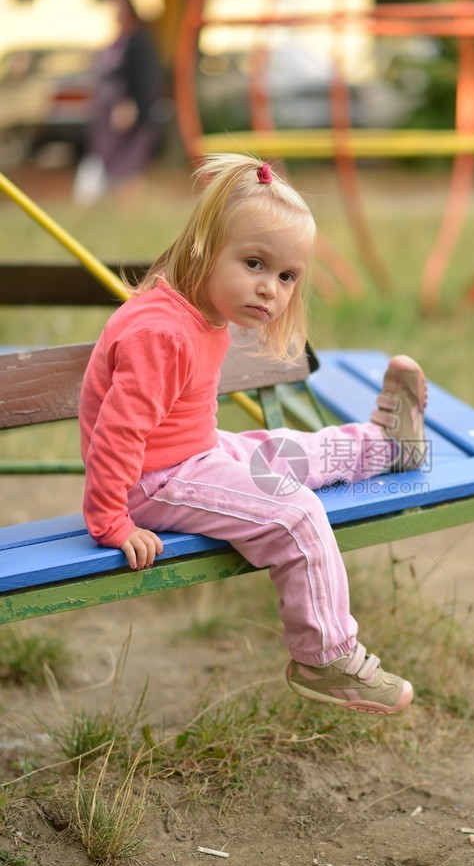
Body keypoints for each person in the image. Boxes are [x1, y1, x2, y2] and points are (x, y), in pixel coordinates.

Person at [78, 154, 428, 715]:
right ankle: (325, 658)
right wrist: (110, 520)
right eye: (255, 264)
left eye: (287, 276)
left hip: (192, 458)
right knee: (296, 512)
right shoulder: (161, 333)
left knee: (289, 449)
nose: (271, 289)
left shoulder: (197, 314)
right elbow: (117, 437)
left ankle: (388, 445)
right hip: (151, 484)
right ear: (203, 247)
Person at [73, 0, 161, 205]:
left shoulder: (138, 43)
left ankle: (128, 208)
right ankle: (110, 204)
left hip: (128, 110)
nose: (115, 15)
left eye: (119, 11)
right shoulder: (119, 41)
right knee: (110, 160)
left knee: (130, 163)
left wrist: (131, 105)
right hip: (108, 112)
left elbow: (142, 79)